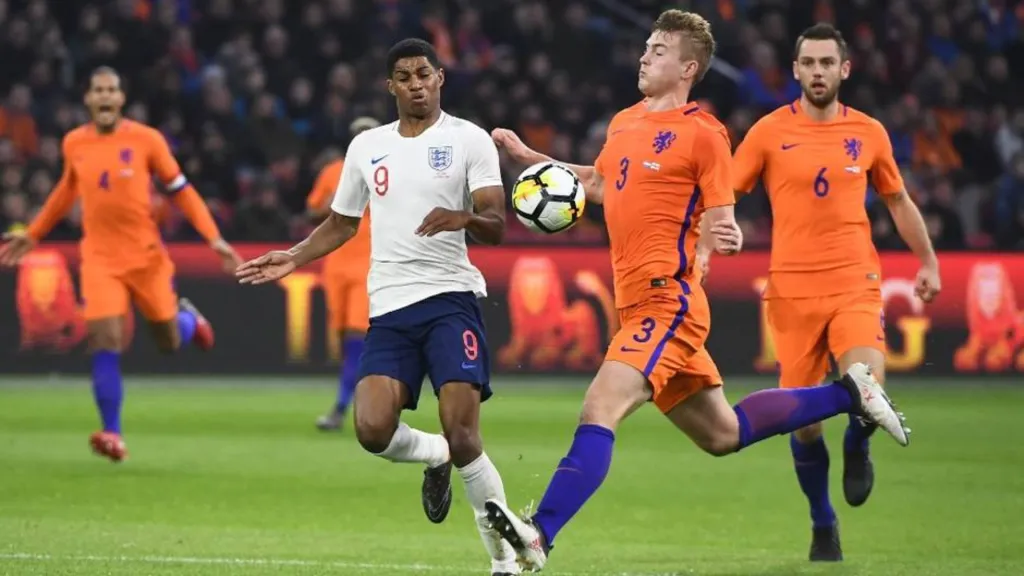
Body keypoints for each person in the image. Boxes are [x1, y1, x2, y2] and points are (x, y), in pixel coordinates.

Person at [483, 11, 909, 572]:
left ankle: (540, 534)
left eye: (657, 50)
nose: (643, 56)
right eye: (645, 46)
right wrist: (528, 159)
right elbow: (596, 183)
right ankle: (849, 395)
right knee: (722, 433)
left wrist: (722, 234)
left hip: (668, 301)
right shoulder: (623, 123)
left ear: (687, 67)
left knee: (600, 406)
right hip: (636, 303)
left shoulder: (705, 133)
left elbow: (721, 213)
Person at [235, 39, 521, 576]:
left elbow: (497, 224)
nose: (415, 83)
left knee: (465, 435)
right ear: (390, 86)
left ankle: (506, 563)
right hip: (390, 307)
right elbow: (343, 222)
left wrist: (464, 219)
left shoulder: (468, 140)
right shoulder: (367, 147)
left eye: (423, 74)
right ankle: (432, 456)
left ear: (440, 78)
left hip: (450, 300)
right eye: (404, 76)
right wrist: (293, 256)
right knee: (371, 430)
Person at [728, 23, 940, 561]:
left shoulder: (869, 133)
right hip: (792, 292)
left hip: (854, 281)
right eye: (809, 63)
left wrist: (928, 261)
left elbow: (897, 201)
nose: (818, 72)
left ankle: (858, 445)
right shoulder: (768, 132)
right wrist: (711, 236)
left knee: (868, 389)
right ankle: (823, 521)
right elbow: (724, 192)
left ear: (844, 69)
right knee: (802, 428)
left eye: (827, 63)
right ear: (795, 70)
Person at [0, 67, 241, 463]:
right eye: (98, 90)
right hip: (99, 259)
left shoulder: (147, 140)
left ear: (121, 99)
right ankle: (112, 432)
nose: (105, 96)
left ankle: (188, 322)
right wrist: (35, 232)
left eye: (112, 89)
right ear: (89, 100)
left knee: (167, 343)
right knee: (104, 341)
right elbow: (66, 190)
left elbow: (182, 191)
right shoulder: (74, 142)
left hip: (146, 257)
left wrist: (212, 236)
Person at [305, 116, 380, 432]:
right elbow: (313, 210)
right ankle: (360, 398)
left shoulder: (387, 172)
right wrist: (330, 205)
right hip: (335, 266)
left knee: (354, 340)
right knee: (343, 341)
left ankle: (341, 408)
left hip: (368, 266)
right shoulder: (333, 172)